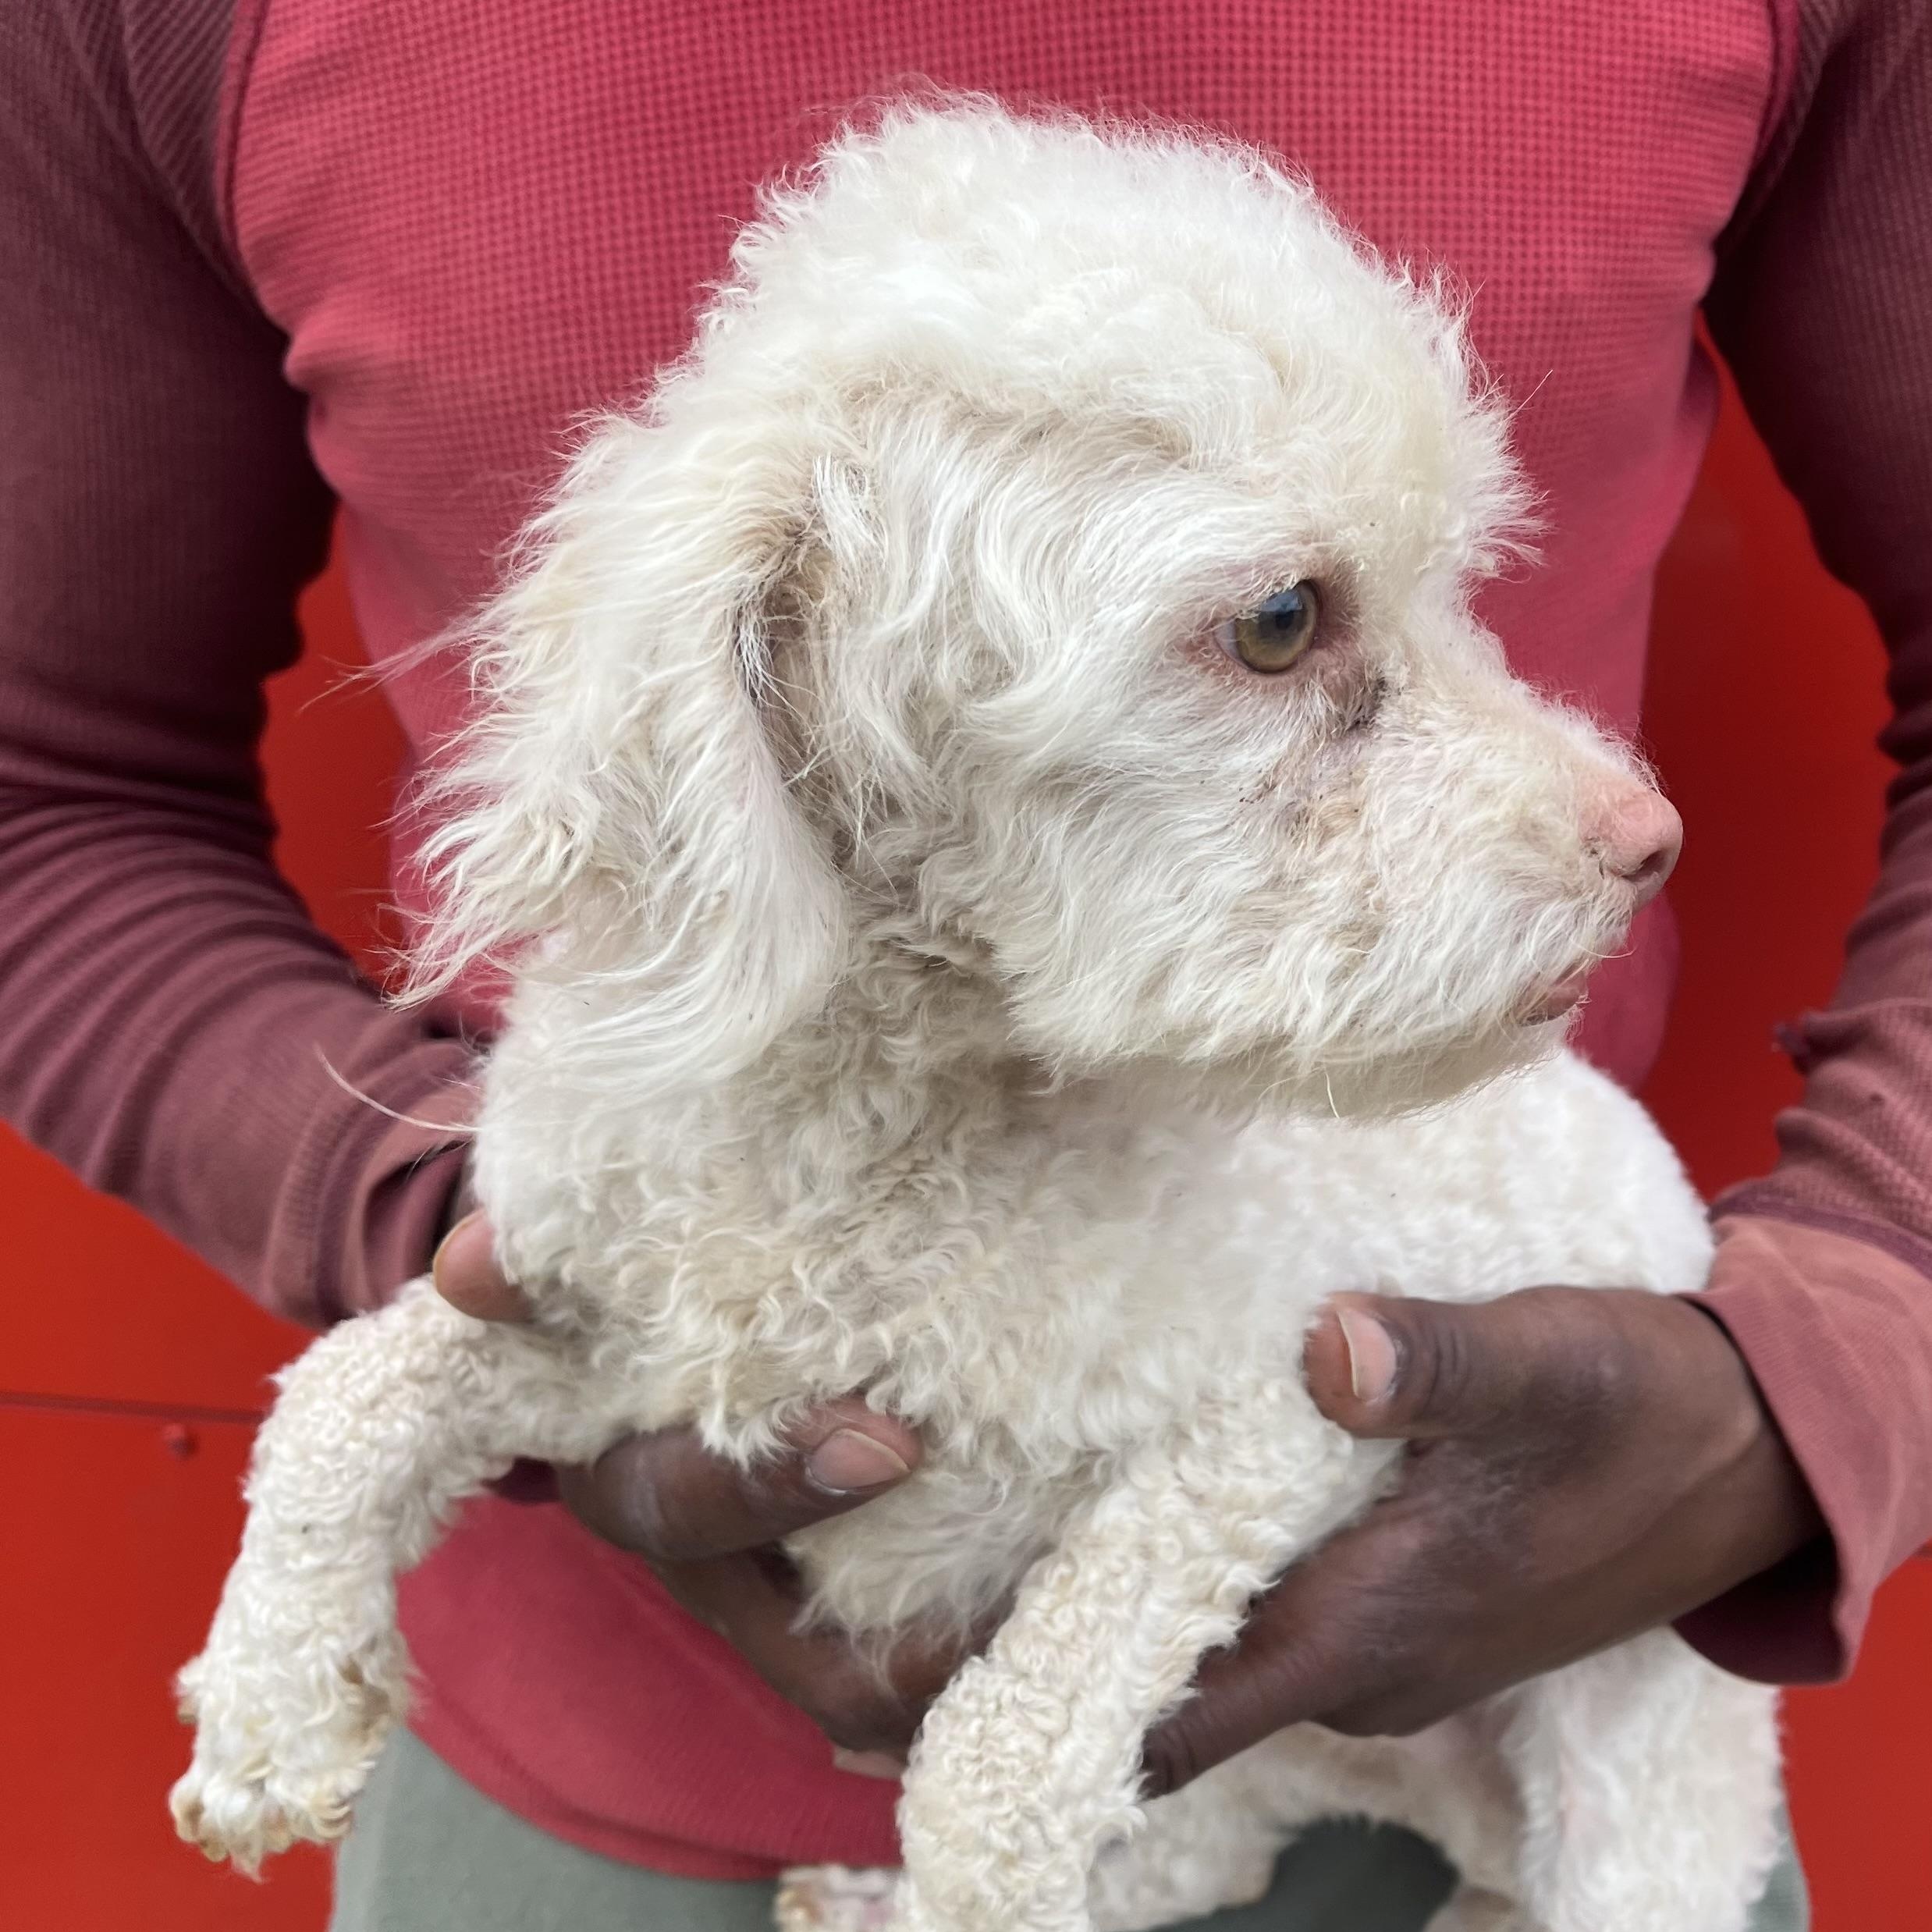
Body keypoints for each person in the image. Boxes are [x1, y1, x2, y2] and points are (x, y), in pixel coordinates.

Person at [3, 3, 1927, 1926]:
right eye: (1271, 627)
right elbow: (41, 789)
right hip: (580, 1769)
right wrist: (476, 1241)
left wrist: (1815, 1360)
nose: (1621, 813)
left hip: (1539, 1644)